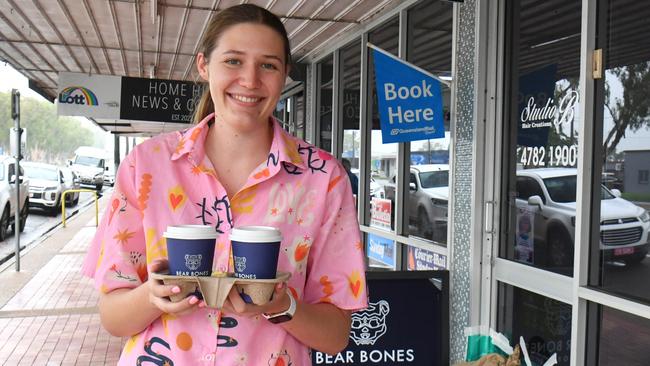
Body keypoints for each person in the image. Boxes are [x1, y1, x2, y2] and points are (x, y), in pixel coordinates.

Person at [81, 4, 367, 365]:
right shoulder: (146, 165)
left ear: (284, 76)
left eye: (268, 65)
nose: (250, 80)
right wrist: (152, 296)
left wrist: (281, 305)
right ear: (204, 66)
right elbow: (113, 317)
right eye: (233, 61)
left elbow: (336, 336)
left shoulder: (323, 179)